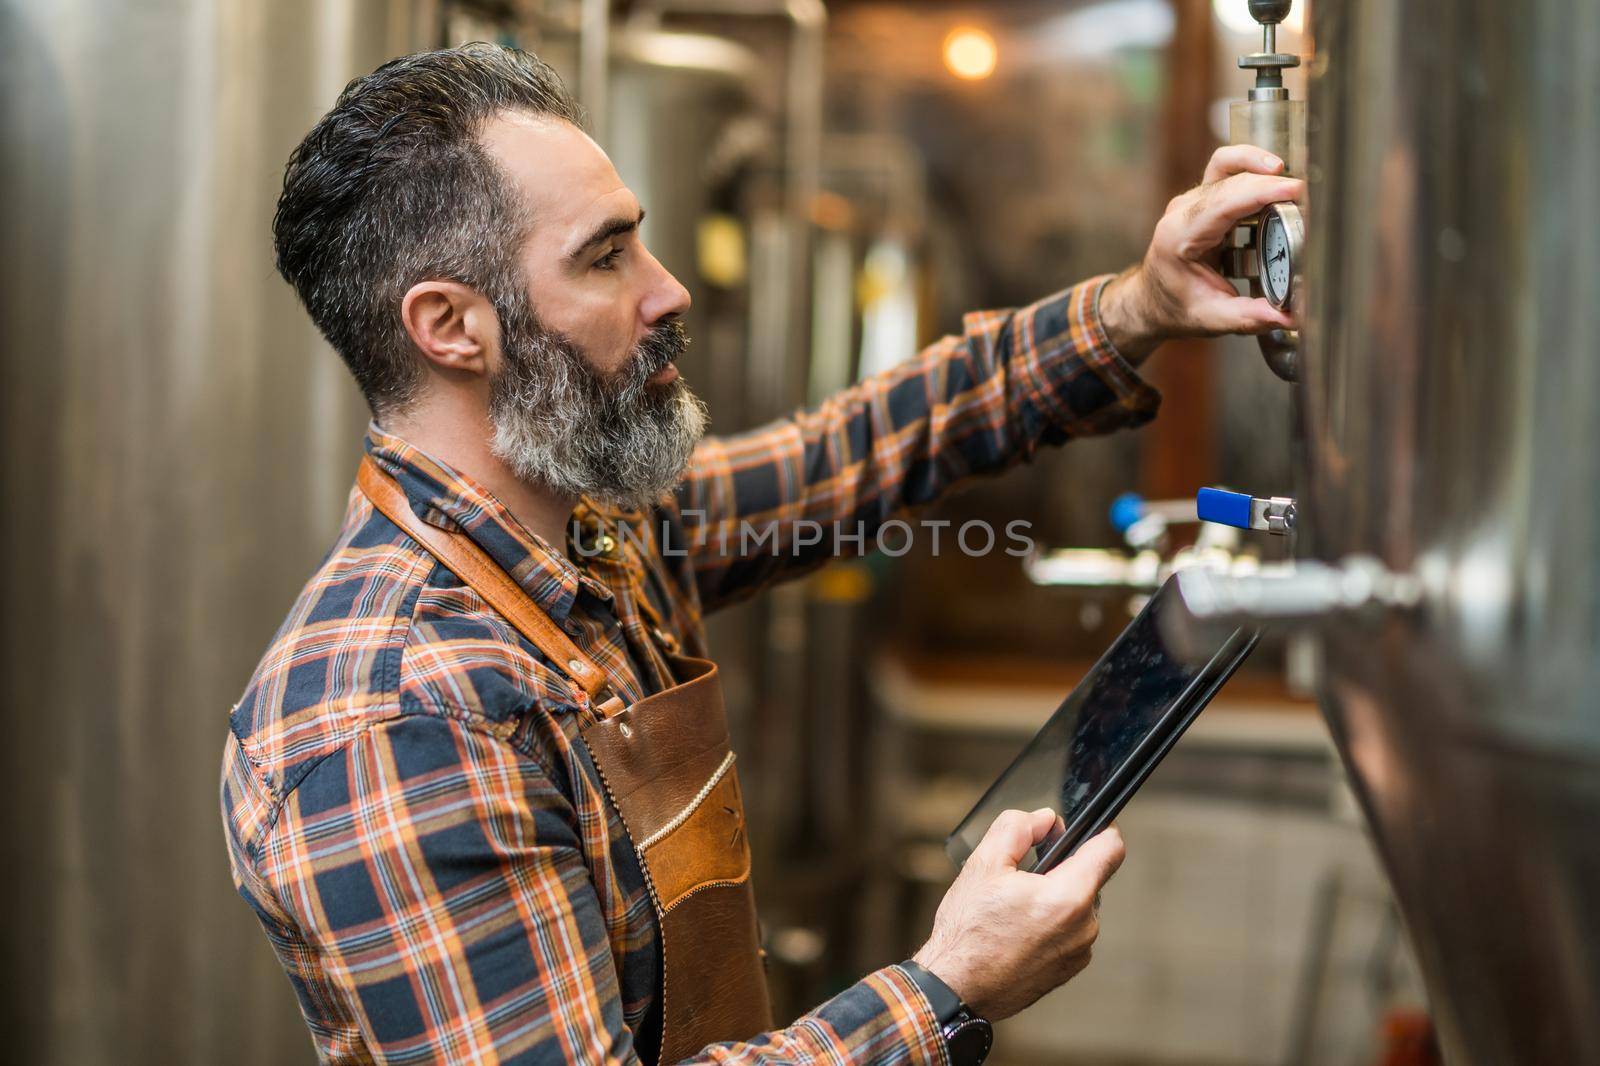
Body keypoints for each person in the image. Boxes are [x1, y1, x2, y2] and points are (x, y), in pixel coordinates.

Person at [220, 42, 1302, 1066]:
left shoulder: (597, 539)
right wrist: (945, 988)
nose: (669, 289)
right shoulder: (397, 717)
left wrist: (1140, 305)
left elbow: (867, 447)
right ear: (452, 326)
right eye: (604, 257)